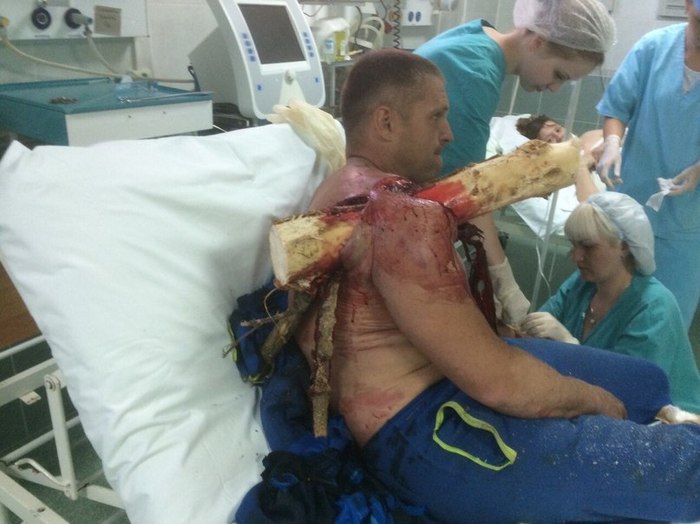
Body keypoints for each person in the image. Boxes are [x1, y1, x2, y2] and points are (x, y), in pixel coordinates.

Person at [292, 48, 700, 523]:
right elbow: (499, 381)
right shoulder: (396, 214)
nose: (448, 132)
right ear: (386, 122)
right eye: (436, 116)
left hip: (438, 383)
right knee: (686, 465)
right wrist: (592, 402)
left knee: (647, 384)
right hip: (420, 433)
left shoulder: (336, 192)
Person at [415, 0, 616, 328]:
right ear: (537, 41)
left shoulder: (478, 38)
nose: (554, 88)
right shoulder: (474, 71)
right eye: (559, 75)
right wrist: (505, 283)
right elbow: (467, 192)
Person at [520, 191, 700, 412]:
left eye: (588, 247)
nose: (576, 257)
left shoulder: (654, 308)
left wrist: (570, 345)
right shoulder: (582, 284)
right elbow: (534, 335)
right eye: (574, 245)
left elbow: (626, 398)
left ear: (624, 247)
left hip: (660, 421)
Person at [595, 0, 700, 330]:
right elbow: (616, 107)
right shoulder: (654, 48)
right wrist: (612, 142)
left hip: (687, 227)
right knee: (608, 316)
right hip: (631, 203)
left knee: (664, 326)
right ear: (688, 6)